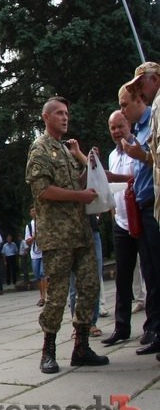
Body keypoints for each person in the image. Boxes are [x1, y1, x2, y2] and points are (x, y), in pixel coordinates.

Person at [25, 96, 108, 373]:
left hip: (81, 233)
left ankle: (81, 347)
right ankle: (48, 351)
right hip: (58, 237)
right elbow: (43, 191)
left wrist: (90, 169)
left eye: (67, 113)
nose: (65, 117)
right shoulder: (40, 149)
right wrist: (79, 195)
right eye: (59, 113)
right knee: (58, 295)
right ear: (46, 117)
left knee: (88, 289)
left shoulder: (65, 150)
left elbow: (79, 185)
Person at [118, 68, 160, 355]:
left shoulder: (154, 118)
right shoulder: (141, 128)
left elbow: (154, 160)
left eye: (125, 104)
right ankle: (155, 329)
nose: (122, 110)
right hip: (143, 206)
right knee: (151, 273)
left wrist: (140, 155)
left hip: (153, 207)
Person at [25, 209, 46, 306]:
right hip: (34, 252)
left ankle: (44, 297)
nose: (34, 212)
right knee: (37, 275)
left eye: (35, 210)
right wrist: (34, 237)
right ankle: (41, 295)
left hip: (44, 252)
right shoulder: (29, 226)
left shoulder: (43, 222)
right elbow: (27, 241)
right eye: (32, 211)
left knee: (43, 274)